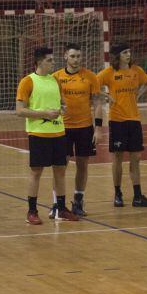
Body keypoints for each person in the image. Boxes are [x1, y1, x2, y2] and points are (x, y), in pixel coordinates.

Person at [16, 47, 78, 225]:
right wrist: (44, 114)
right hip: (38, 134)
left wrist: (62, 108)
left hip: (59, 133)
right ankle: (32, 211)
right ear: (39, 62)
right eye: (50, 60)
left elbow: (62, 104)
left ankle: (61, 208)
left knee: (60, 171)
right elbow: (19, 111)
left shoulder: (55, 81)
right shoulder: (28, 81)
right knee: (36, 173)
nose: (53, 62)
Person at [97, 43, 147, 208]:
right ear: (117, 56)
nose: (128, 54)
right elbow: (92, 85)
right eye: (125, 52)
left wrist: (138, 95)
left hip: (134, 119)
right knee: (117, 157)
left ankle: (137, 196)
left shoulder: (136, 70)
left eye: (129, 51)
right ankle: (117, 193)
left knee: (136, 157)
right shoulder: (109, 72)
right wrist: (105, 95)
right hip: (117, 121)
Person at [52, 44, 103, 216]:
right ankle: (57, 205)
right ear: (65, 56)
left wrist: (98, 129)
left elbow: (97, 103)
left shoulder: (90, 77)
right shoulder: (55, 77)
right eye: (73, 56)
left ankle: (78, 201)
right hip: (62, 128)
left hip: (85, 128)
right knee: (60, 167)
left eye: (79, 56)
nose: (76, 59)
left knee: (83, 165)